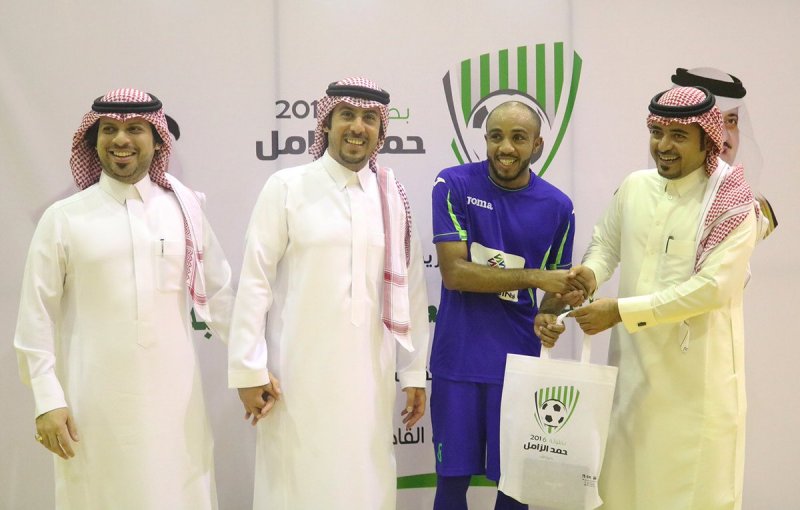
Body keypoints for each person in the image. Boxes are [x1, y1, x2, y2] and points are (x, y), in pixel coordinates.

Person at [13, 88, 234, 509]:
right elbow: (35, 317)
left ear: (158, 140)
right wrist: (47, 400)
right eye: (109, 129)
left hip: (176, 408)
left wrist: (255, 365)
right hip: (92, 407)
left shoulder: (185, 211)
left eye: (135, 129)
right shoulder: (64, 218)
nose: (120, 139)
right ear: (93, 140)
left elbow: (221, 297)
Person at [228, 77, 429, 510]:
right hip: (296, 374)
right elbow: (255, 282)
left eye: (369, 118)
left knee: (364, 479)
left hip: (370, 376)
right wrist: (248, 369)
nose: (358, 127)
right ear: (326, 123)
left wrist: (414, 373)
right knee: (297, 482)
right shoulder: (287, 186)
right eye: (347, 116)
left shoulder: (391, 196)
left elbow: (412, 287)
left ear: (381, 129)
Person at [563, 86, 758, 510]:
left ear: (707, 140)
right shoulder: (636, 186)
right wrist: (591, 273)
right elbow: (606, 244)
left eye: (678, 135)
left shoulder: (731, 205)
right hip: (632, 377)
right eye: (656, 132)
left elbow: (713, 288)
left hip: (695, 387)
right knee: (624, 491)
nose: (663, 146)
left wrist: (620, 311)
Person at [430, 101, 587, 510]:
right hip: (457, 361)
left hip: (519, 364)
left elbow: (553, 293)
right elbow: (454, 273)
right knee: (451, 483)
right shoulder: (452, 184)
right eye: (496, 136)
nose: (505, 148)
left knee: (515, 488)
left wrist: (552, 312)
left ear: (537, 145)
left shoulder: (558, 206)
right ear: (485, 139)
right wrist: (535, 277)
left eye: (518, 138)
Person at [671, 67, 778, 237]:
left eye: (731, 121)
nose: (724, 136)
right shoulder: (644, 200)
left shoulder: (758, 210)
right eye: (711, 121)